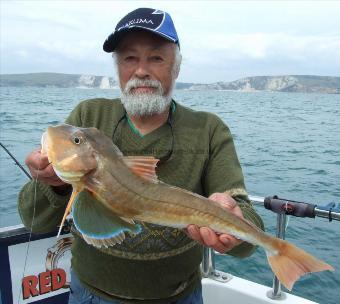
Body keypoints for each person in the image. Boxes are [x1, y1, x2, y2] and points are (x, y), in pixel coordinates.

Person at [18, 8, 264, 304]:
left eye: (157, 58)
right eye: (129, 58)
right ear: (118, 67)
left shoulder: (208, 130)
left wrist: (235, 226)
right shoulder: (89, 116)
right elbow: (34, 220)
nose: (141, 70)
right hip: (92, 294)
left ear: (176, 67)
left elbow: (244, 223)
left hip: (179, 297)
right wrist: (54, 183)